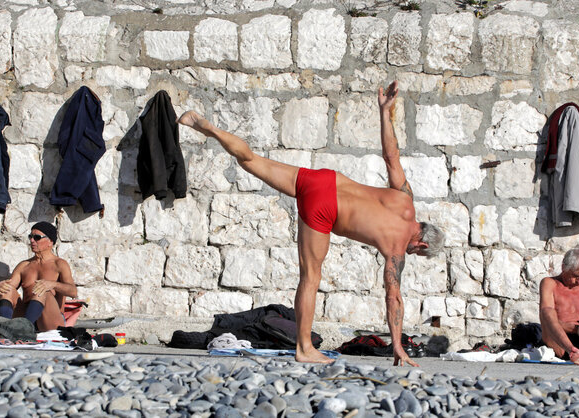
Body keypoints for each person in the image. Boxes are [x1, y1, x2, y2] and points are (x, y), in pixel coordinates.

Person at [178, 81, 444, 366]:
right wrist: (398, 345)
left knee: (252, 159)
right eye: (418, 251)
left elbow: (391, 155)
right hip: (324, 210)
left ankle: (210, 129)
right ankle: (304, 348)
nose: (412, 252)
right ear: (422, 242)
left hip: (324, 179)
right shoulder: (396, 250)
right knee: (310, 278)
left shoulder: (405, 198)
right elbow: (394, 298)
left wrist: (384, 111)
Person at [0, 222, 76, 331]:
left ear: (50, 242)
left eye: (37, 237)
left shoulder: (59, 264)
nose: (32, 240)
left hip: (49, 320)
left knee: (42, 289)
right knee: (7, 289)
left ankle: (25, 330)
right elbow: (5, 291)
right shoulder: (24, 265)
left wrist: (52, 284)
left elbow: (73, 292)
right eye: (30, 237)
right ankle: (3, 329)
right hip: (24, 315)